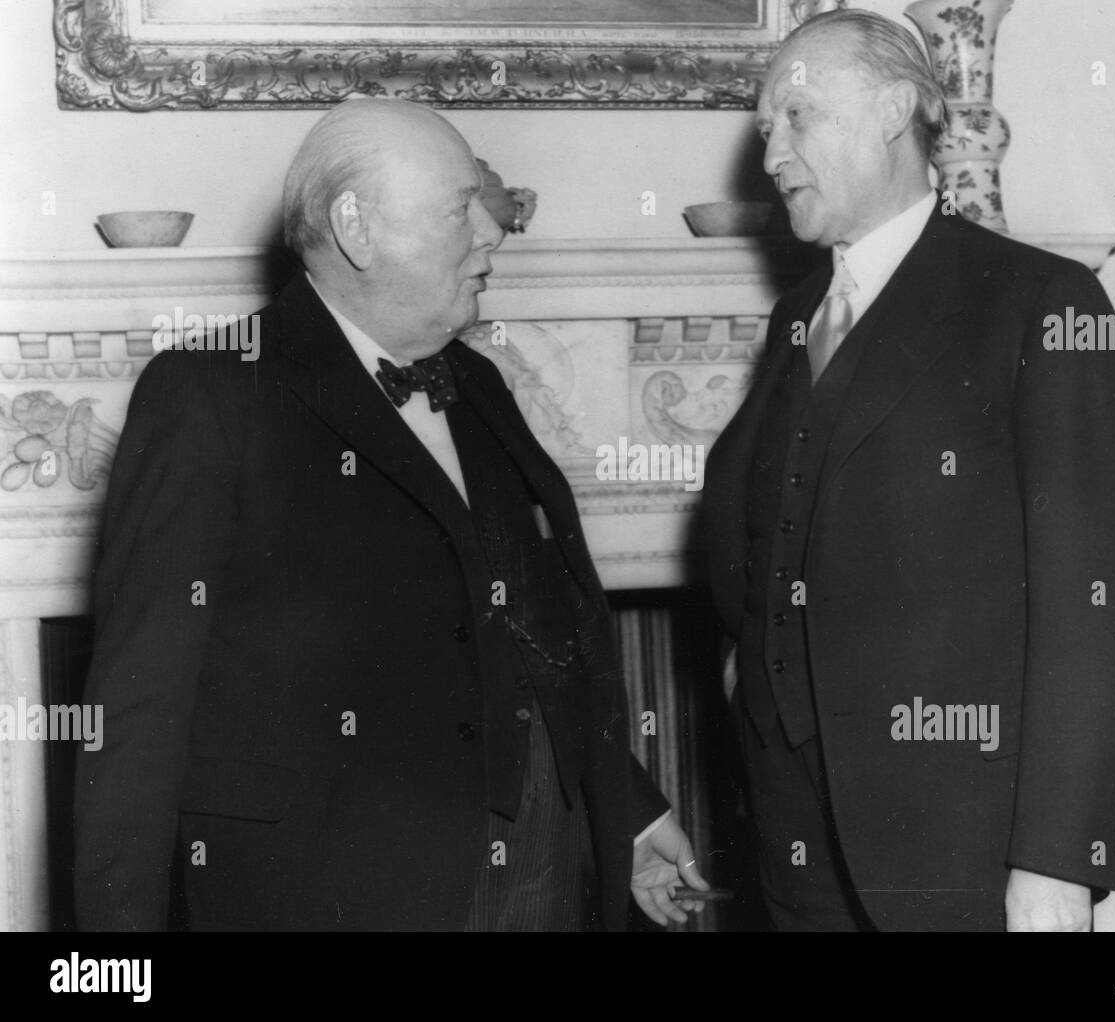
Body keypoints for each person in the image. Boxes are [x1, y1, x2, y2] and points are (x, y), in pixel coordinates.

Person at [74, 97, 707, 931]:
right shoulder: (211, 393)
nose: (493, 230)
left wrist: (627, 812)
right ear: (356, 228)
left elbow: (532, 631)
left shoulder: (476, 385)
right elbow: (135, 719)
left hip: (542, 875)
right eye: (459, 208)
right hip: (326, 894)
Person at [702, 10, 1115, 932]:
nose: (773, 153)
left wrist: (1057, 862)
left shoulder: (1041, 302)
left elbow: (1096, 603)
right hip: (797, 857)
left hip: (965, 860)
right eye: (763, 132)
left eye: (797, 117)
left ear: (894, 109)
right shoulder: (798, 316)